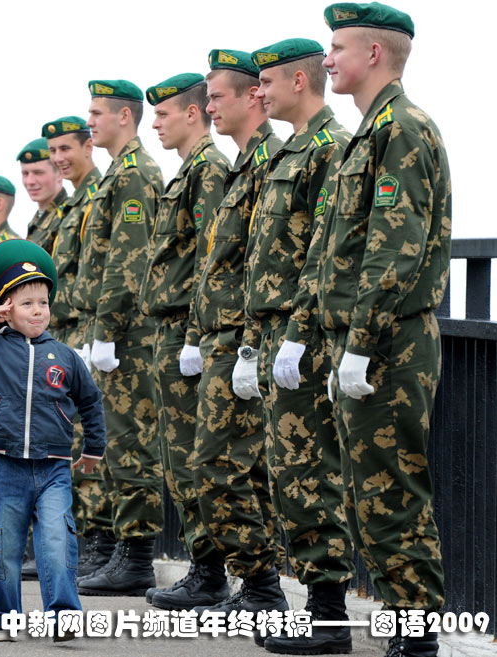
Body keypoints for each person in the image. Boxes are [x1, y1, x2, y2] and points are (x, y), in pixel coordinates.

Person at [317, 5, 449, 656]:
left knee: (391, 493)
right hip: (369, 340)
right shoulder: (372, 130)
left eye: (338, 47)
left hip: (388, 342)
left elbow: (392, 249)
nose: (327, 59)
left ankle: (416, 639)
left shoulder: (401, 129)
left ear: (373, 54)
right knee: (368, 493)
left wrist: (361, 345)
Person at [236, 38, 355, 654]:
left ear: (298, 83)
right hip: (275, 335)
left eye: (267, 83)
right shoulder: (290, 151)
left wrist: (298, 336)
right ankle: (317, 605)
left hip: (302, 338)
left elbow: (325, 255)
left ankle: (329, 614)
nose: (260, 93)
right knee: (289, 473)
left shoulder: (329, 148)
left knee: (312, 472)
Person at [0, 238, 106, 642]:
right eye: (26, 303)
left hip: (53, 468)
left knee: (58, 541)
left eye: (43, 302)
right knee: (4, 547)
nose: (38, 310)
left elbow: (90, 402)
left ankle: (64, 618)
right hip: (6, 465)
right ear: (6, 308)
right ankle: (0, 618)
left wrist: (93, 449)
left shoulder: (65, 356)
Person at [185, 49, 287, 625]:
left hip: (246, 340)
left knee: (223, 465)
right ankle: (257, 584)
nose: (208, 107)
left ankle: (262, 583)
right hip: (223, 337)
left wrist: (249, 345)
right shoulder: (243, 165)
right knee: (226, 466)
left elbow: (269, 263)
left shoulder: (270, 160)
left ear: (253, 96)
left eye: (217, 96)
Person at [138, 73, 232, 610]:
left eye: (163, 114)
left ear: (192, 114)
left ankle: (212, 571)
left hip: (186, 331)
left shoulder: (209, 170)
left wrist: (195, 334)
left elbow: (209, 261)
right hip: (171, 330)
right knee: (179, 458)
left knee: (195, 457)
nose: (155, 124)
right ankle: (205, 567)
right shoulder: (189, 171)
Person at [75, 79, 164, 597]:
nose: (90, 121)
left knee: (131, 444)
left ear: (124, 117)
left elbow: (128, 261)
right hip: (111, 330)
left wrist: (106, 330)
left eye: (97, 113)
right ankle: (119, 551)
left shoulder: (135, 175)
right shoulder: (118, 174)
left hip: (128, 334)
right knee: (114, 442)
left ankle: (136, 558)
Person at [41, 115, 111, 575]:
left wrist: (99, 332)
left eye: (66, 148)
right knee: (73, 437)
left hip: (92, 332)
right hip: (72, 332)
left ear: (88, 147)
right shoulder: (73, 205)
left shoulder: (98, 193)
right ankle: (89, 545)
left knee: (97, 438)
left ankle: (105, 545)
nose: (59, 158)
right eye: (54, 152)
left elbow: (108, 270)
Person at [18, 137, 67, 253]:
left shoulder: (67, 215)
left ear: (59, 173)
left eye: (38, 173)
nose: (30, 181)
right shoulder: (36, 220)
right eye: (25, 174)